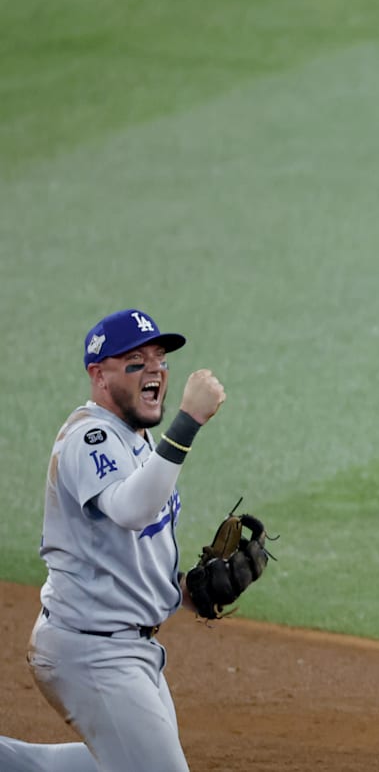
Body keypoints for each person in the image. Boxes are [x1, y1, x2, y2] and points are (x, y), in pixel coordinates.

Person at [0, 309, 229, 772]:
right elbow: (131, 509)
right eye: (136, 360)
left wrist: (187, 591)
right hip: (92, 652)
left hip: (128, 649)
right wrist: (187, 421)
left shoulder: (137, 441)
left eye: (160, 358)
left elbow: (129, 551)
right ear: (99, 375)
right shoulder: (89, 437)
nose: (155, 369)